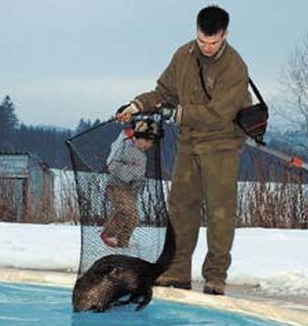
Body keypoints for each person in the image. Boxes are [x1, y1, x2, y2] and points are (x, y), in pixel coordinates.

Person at [116, 5, 251, 295]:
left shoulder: (235, 67)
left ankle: (215, 275)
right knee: (180, 208)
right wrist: (136, 105)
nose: (207, 47)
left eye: (213, 42)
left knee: (220, 212)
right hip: (189, 142)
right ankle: (177, 271)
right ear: (196, 32)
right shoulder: (183, 55)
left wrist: (177, 115)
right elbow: (163, 92)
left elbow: (218, 114)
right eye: (202, 40)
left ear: (225, 35)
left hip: (223, 142)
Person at [101, 119, 161, 248]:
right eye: (146, 141)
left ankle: (122, 244)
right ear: (138, 137)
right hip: (116, 185)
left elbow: (139, 175)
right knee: (125, 209)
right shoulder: (125, 145)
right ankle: (109, 234)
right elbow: (112, 164)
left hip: (130, 190)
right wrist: (130, 174)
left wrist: (136, 185)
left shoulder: (142, 155)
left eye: (151, 143)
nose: (148, 145)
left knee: (133, 219)